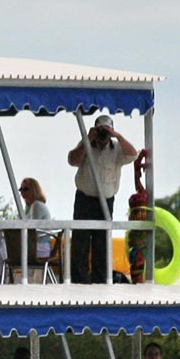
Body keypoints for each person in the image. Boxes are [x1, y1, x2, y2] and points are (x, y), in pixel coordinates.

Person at [65, 114, 139, 283]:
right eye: (100, 130)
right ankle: (79, 281)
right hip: (84, 199)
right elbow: (72, 160)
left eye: (106, 130)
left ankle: (100, 281)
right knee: (80, 242)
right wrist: (87, 139)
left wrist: (117, 136)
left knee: (102, 243)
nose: (103, 134)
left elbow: (133, 154)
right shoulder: (86, 145)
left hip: (106, 202)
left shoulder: (117, 149)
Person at [19, 177, 53, 260]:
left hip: (40, 246)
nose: (22, 192)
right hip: (34, 245)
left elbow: (32, 230)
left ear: (34, 190)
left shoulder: (36, 205)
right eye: (21, 189)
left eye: (26, 189)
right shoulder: (28, 207)